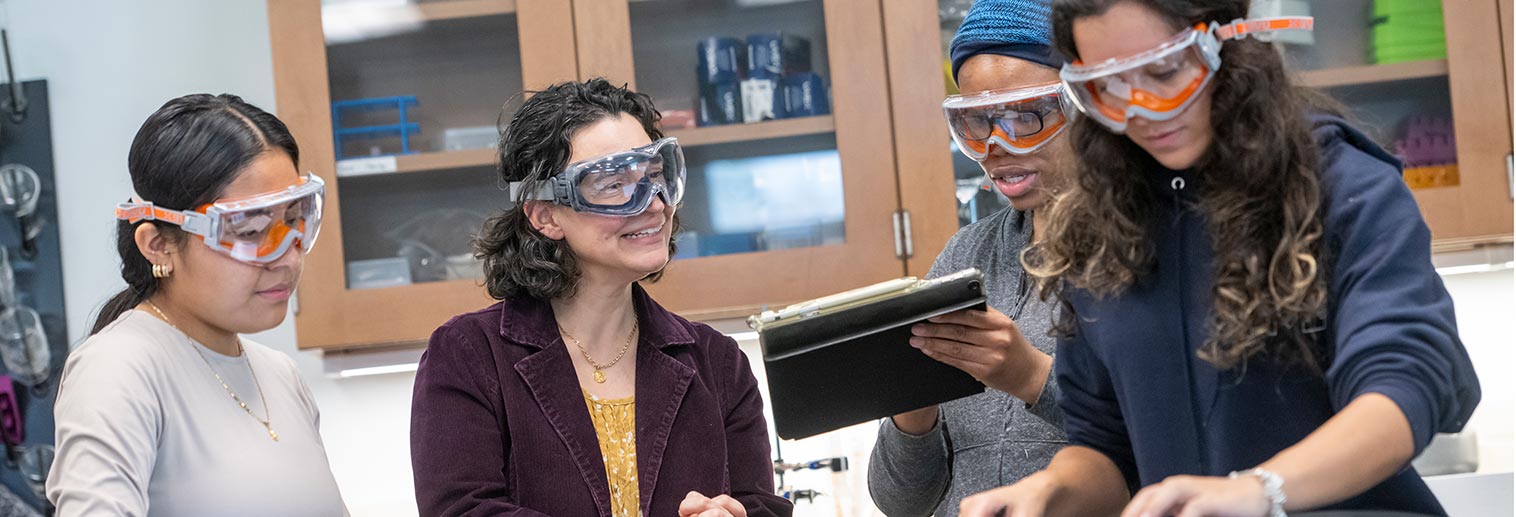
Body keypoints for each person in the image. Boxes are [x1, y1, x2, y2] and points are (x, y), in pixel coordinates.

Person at [959, 1, 1481, 516]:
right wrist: (1048, 493)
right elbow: (1104, 445)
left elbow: (1406, 384)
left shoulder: (1340, 184)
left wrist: (1260, 490)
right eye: (1108, 85)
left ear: (1227, 45)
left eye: (1164, 71)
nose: (1141, 107)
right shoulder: (1102, 219)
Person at [409, 78, 792, 517]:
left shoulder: (718, 363)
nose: (654, 204)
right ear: (545, 215)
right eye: (613, 184)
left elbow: (759, 505)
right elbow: (463, 511)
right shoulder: (469, 355)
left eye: (654, 175)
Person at [48, 94, 347, 515]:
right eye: (250, 231)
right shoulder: (118, 367)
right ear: (158, 244)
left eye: (294, 219)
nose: (286, 256)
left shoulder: (280, 375)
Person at [866, 1, 1075, 515]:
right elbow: (901, 502)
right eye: (976, 122)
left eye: (1026, 116)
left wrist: (1032, 377)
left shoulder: (1146, 250)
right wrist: (912, 409)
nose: (995, 146)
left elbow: (1171, 439)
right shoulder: (966, 255)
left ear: (1083, 103)